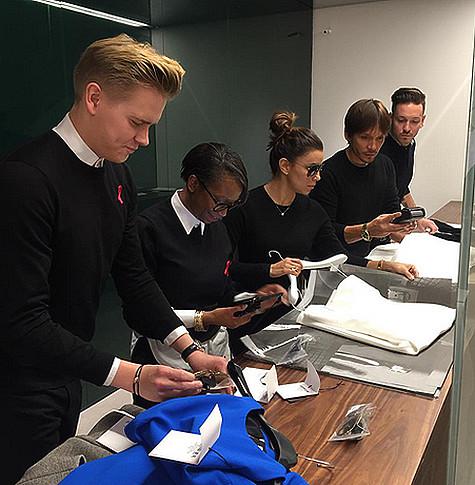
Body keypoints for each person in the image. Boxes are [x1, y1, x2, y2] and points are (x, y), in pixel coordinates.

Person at [0, 34, 227, 484]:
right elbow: (22, 320)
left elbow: (134, 277)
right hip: (17, 384)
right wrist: (130, 375)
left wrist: (190, 350)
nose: (144, 139)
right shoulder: (25, 180)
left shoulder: (117, 176)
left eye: (151, 126)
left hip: (67, 372)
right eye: (137, 123)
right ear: (94, 98)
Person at [224, 111, 418, 344]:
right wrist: (269, 271)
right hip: (245, 321)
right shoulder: (243, 209)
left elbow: (338, 258)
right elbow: (224, 269)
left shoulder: (313, 212)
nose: (317, 177)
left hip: (292, 319)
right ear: (285, 166)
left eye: (319, 170)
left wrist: (386, 266)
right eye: (312, 169)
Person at [131, 142, 285, 406]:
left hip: (214, 351)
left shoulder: (215, 226)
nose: (223, 213)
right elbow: (142, 312)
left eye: (231, 206)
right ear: (193, 183)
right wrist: (206, 317)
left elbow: (220, 287)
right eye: (220, 203)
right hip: (162, 356)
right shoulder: (149, 228)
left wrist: (251, 300)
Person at [310, 99, 419, 268]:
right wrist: (367, 230)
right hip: (338, 264)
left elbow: (391, 210)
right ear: (348, 134)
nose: (373, 146)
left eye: (380, 138)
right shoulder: (328, 173)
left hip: (373, 255)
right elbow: (325, 234)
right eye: (365, 138)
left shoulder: (385, 165)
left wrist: (403, 224)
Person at [380, 87, 438, 233]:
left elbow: (401, 186)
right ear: (391, 118)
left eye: (414, 121)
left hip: (391, 224)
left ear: (422, 121)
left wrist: (417, 217)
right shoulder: (378, 148)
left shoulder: (410, 143)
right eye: (401, 120)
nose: (407, 128)